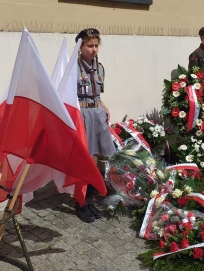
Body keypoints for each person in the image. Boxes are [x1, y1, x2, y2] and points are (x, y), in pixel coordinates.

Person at [75, 28, 116, 222]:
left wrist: (104, 107)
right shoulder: (72, 68)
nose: (94, 49)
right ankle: (82, 201)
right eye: (89, 45)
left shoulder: (100, 67)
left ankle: (91, 199)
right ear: (80, 46)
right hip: (82, 114)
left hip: (97, 113)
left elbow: (97, 93)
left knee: (99, 156)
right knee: (86, 159)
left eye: (96, 45)